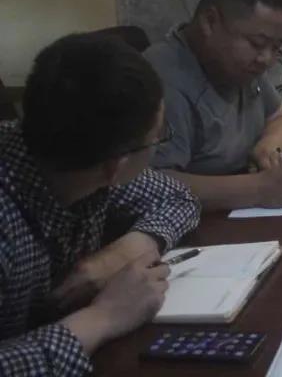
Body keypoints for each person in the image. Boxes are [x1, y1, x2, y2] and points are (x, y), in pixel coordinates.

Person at [0, 33, 200, 375]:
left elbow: (178, 197)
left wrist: (123, 252)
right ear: (117, 167)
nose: (157, 147)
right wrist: (103, 317)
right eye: (157, 138)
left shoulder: (78, 159)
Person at [146, 0, 282, 211]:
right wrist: (257, 189)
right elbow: (149, 185)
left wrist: (269, 150)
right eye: (257, 43)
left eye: (276, 47)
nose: (266, 59)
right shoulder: (162, 78)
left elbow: (281, 116)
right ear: (210, 21)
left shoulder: (242, 66)